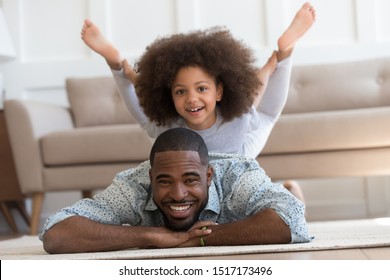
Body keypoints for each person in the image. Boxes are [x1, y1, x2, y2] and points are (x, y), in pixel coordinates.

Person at [81, 3, 316, 201]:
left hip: (238, 156)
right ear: (169, 95)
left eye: (202, 88)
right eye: (180, 92)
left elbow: (256, 91)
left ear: (220, 92)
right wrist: (124, 71)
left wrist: (268, 69)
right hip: (204, 173)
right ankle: (117, 62)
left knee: (263, 109)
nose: (192, 98)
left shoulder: (237, 115)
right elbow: (140, 103)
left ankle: (283, 53)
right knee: (142, 98)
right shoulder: (169, 127)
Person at [40, 128, 311, 254]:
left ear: (208, 175)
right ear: (151, 177)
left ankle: (289, 189)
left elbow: (293, 222)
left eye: (191, 180)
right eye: (165, 181)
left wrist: (201, 239)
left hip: (252, 197)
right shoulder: (133, 186)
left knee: (292, 204)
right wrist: (154, 235)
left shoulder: (237, 175)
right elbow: (57, 233)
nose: (179, 194)